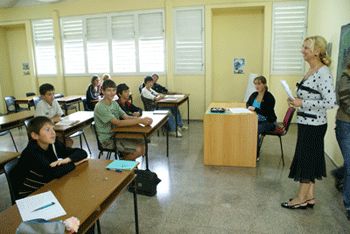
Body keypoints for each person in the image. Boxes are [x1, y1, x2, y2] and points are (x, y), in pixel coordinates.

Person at [281, 36, 336, 209]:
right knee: (310, 160)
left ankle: (300, 198)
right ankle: (309, 197)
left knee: (306, 161)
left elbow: (330, 102)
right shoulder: (311, 70)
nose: (302, 50)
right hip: (306, 123)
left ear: (317, 51)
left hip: (315, 125)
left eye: (306, 48)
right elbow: (310, 95)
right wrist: (296, 100)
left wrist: (302, 103)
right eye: (302, 47)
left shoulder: (323, 72)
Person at [13, 116, 88, 199]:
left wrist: (67, 160)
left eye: (53, 129)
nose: (53, 133)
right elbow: (54, 173)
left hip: (47, 185)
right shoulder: (31, 152)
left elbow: (82, 152)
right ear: (35, 135)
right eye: (47, 130)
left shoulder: (53, 144)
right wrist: (74, 163)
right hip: (29, 194)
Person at [94, 79, 153, 160]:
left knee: (143, 140)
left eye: (114, 90)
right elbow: (118, 123)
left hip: (118, 134)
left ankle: (129, 164)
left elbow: (126, 116)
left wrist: (142, 119)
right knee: (140, 149)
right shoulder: (100, 106)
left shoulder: (114, 103)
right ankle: (123, 163)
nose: (112, 93)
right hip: (108, 140)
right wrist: (139, 120)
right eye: (108, 90)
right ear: (102, 91)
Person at [246, 75, 277, 160]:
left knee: (254, 130)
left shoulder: (269, 97)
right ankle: (247, 151)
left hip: (269, 122)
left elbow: (267, 111)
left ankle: (255, 154)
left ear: (264, 84)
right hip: (256, 120)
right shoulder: (254, 94)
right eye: (255, 84)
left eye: (259, 84)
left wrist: (255, 109)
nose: (257, 86)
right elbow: (248, 103)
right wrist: (249, 107)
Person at [335, 62, 350, 219]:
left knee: (348, 164)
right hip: (345, 125)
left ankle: (339, 173)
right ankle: (348, 204)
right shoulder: (345, 78)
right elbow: (346, 103)